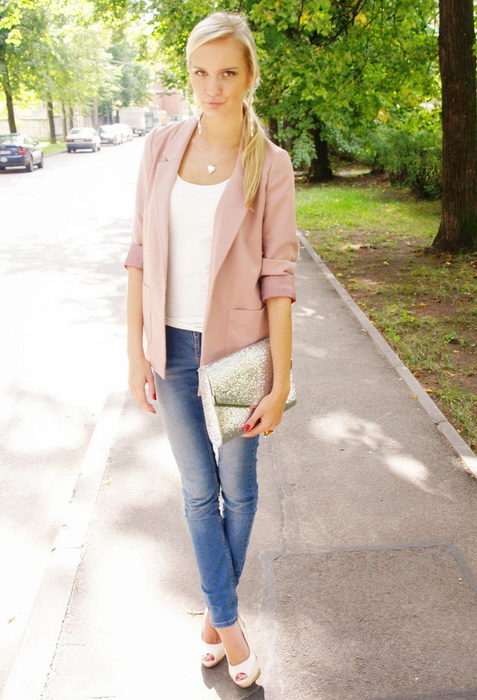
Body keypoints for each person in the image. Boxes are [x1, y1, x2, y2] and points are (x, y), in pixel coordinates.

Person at [124, 11, 299, 689]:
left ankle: (213, 620)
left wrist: (279, 382)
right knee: (199, 489)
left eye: (227, 72)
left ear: (249, 75)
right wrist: (135, 353)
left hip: (239, 347)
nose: (212, 87)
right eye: (200, 73)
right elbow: (139, 253)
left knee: (239, 490)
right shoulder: (160, 147)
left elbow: (278, 277)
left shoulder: (269, 164)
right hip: (168, 343)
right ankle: (227, 622)